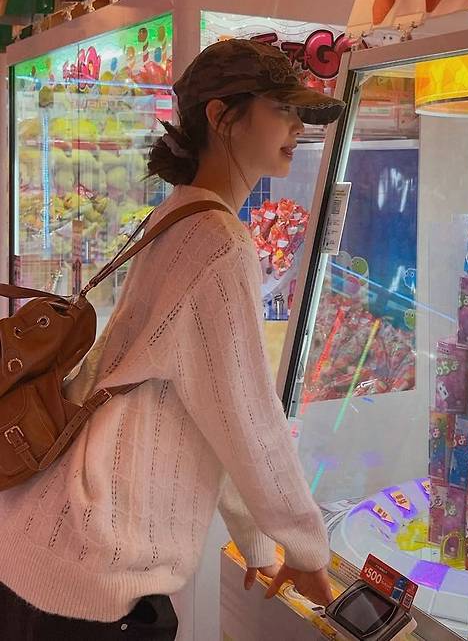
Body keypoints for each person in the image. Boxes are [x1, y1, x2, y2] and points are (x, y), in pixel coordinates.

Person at [0, 39, 345, 639]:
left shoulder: (178, 213)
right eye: (282, 109)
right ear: (221, 116)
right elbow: (248, 417)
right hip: (95, 565)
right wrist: (306, 546)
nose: (298, 126)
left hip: (49, 539)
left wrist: (260, 543)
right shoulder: (220, 241)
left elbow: (212, 408)